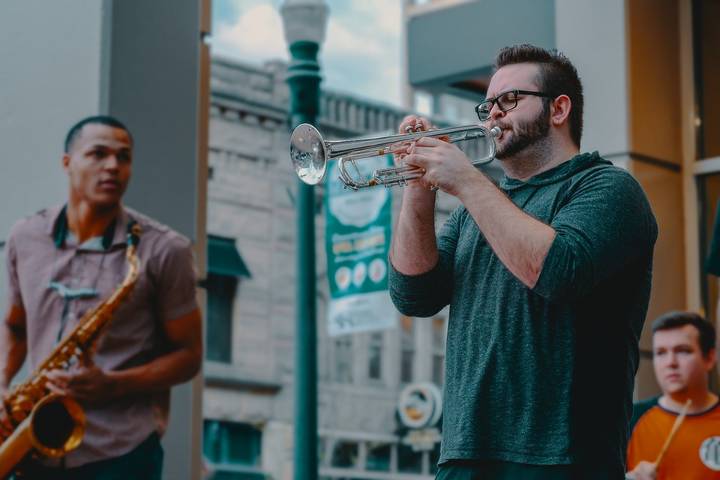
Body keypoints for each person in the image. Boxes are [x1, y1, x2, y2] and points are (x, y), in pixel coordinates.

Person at [389, 44, 658, 479]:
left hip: (562, 458)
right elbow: (413, 295)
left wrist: (466, 180)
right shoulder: (473, 210)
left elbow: (558, 272)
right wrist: (418, 191)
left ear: (559, 109)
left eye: (509, 100)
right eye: (488, 104)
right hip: (464, 453)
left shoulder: (608, 189)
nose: (492, 114)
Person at [0, 115, 203, 479]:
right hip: (32, 448)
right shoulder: (25, 237)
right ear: (67, 163)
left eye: (123, 157)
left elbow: (188, 357)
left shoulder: (165, 250)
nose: (113, 166)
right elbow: (15, 328)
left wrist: (114, 383)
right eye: (98, 154)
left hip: (120, 453)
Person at [626, 312, 720, 480]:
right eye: (661, 353)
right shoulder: (630, 419)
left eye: (683, 351)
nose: (670, 363)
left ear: (710, 358)